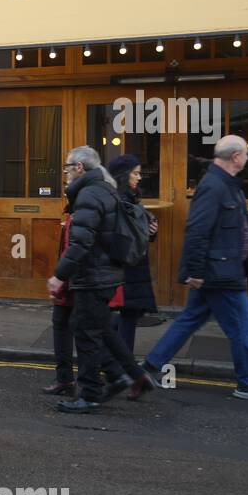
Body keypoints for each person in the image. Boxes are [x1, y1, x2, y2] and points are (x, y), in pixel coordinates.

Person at [140, 135, 248, 402]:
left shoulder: (228, 184)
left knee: (189, 319)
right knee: (243, 326)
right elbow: (197, 231)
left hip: (220, 268)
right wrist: (195, 271)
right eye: (246, 154)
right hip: (219, 272)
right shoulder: (214, 186)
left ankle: (150, 367)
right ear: (236, 157)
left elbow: (240, 221)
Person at [46, 146, 155, 413]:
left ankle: (91, 394)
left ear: (79, 168)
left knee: (86, 336)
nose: (66, 174)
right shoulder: (104, 189)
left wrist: (60, 275)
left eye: (67, 168)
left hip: (94, 276)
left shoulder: (90, 193)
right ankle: (123, 375)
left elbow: (82, 241)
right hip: (105, 276)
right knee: (96, 329)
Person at [43, 204, 131, 400]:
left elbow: (75, 248)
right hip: (80, 280)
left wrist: (60, 279)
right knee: (71, 326)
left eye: (70, 171)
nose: (67, 174)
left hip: (80, 281)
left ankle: (112, 375)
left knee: (86, 331)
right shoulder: (87, 204)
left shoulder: (86, 207)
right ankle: (68, 379)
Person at [105, 154, 159, 355]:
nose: (139, 177)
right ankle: (122, 359)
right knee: (129, 312)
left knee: (131, 312)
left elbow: (138, 229)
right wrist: (145, 230)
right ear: (124, 175)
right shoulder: (117, 198)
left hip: (133, 264)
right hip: (125, 265)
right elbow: (122, 232)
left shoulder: (132, 196)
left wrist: (151, 231)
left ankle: (118, 358)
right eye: (135, 173)